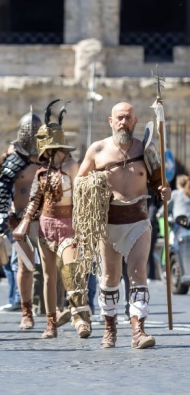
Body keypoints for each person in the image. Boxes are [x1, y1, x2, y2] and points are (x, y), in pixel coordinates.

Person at [77, 102, 171, 349]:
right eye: (119, 118)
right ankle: (109, 330)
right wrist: (92, 187)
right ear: (110, 121)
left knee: (139, 274)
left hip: (138, 221)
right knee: (109, 278)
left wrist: (165, 191)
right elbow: (79, 184)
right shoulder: (97, 150)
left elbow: (159, 183)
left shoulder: (147, 150)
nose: (123, 122)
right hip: (108, 223)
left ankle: (138, 331)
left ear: (135, 121)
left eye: (128, 118)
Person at [13, 101, 91, 339]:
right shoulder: (41, 171)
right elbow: (36, 199)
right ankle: (51, 323)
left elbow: (81, 196)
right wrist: (25, 222)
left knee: (71, 270)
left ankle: (81, 318)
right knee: (48, 276)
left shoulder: (73, 166)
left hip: (69, 224)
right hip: (46, 226)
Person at [0, 109, 42, 329]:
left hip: (49, 218)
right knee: (25, 267)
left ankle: (55, 310)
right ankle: (26, 312)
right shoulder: (14, 160)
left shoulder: (49, 157)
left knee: (55, 267)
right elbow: (1, 189)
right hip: (23, 220)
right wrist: (3, 216)